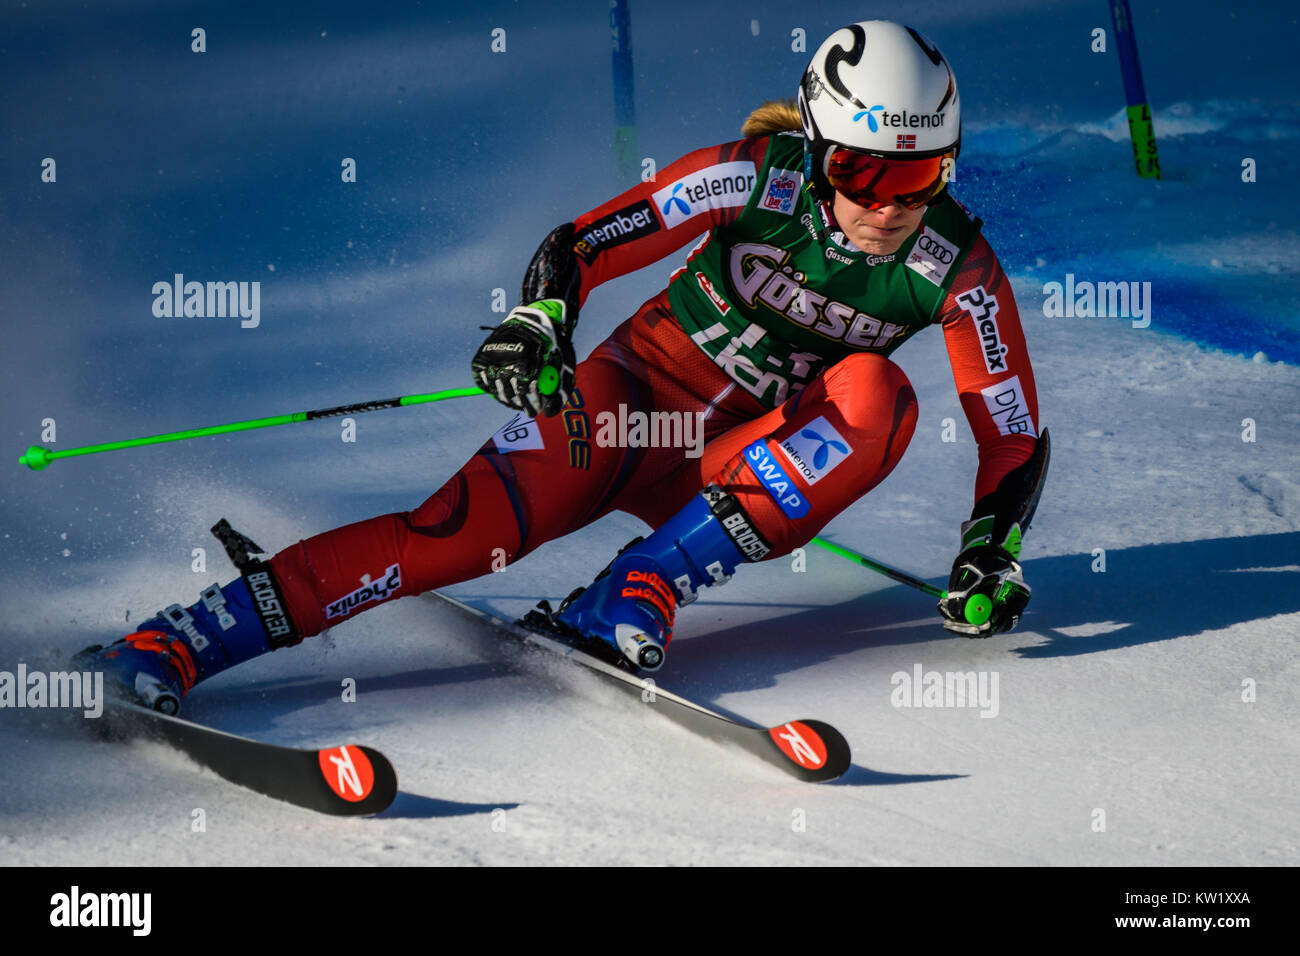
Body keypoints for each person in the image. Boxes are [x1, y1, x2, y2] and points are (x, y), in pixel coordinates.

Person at [77, 19, 1047, 714]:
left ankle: (639, 586)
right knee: (452, 537)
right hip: (618, 415)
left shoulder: (952, 268)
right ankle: (180, 637)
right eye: (860, 171)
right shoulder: (755, 175)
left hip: (725, 474)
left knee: (879, 394)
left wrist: (988, 549)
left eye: (916, 174)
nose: (886, 203)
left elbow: (1009, 431)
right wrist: (541, 319)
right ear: (818, 145)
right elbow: (583, 241)